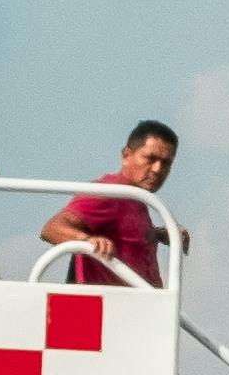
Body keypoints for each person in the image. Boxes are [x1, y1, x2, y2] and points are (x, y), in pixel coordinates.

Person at [42, 121, 180, 289]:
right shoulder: (109, 192)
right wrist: (88, 241)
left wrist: (159, 234)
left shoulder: (135, 198)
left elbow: (123, 232)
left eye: (166, 163)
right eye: (150, 158)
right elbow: (52, 229)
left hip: (139, 307)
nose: (157, 169)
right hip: (109, 308)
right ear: (126, 155)